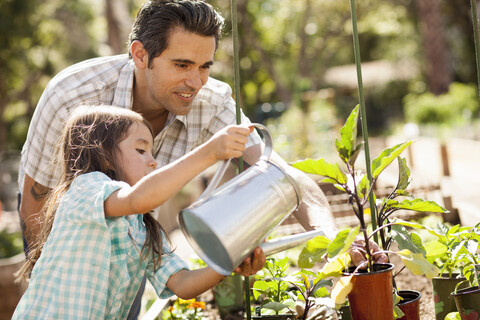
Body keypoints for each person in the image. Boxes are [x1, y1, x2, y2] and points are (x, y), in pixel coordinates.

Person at [16, 0, 333, 318]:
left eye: (205, 67)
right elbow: (36, 203)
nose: (196, 82)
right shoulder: (73, 99)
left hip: (132, 225)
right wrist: (46, 279)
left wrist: (336, 244)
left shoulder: (144, 229)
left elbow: (280, 173)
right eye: (182, 65)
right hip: (59, 238)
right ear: (140, 55)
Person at [13, 106, 266, 319]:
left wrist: (227, 263)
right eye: (141, 150)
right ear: (104, 156)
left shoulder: (141, 228)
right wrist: (210, 152)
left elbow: (183, 284)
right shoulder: (85, 189)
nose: (153, 161)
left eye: (152, 152)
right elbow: (139, 199)